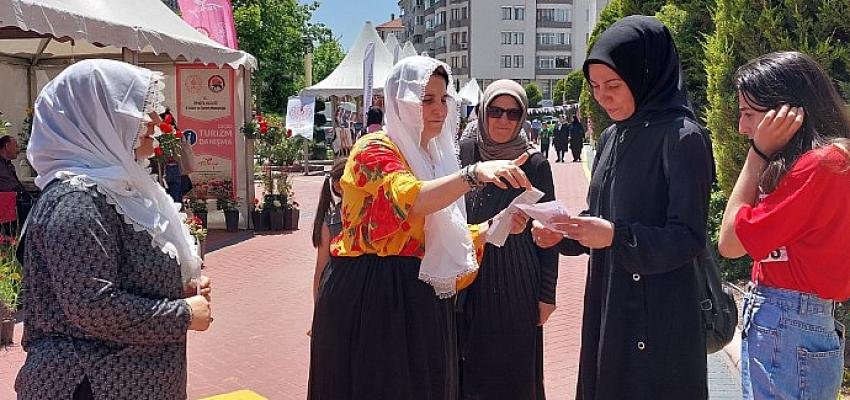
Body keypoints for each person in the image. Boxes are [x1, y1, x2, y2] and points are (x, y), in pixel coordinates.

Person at [308, 56, 532, 400]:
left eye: (443, 99)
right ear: (401, 102)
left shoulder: (431, 156)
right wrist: (472, 175)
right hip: (370, 297)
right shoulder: (375, 148)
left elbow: (431, 237)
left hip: (415, 295)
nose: (438, 109)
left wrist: (493, 227)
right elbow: (408, 199)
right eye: (426, 100)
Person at [531, 16, 713, 399]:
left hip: (659, 315)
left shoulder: (683, 138)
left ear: (646, 75)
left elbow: (688, 236)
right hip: (610, 303)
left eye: (613, 85)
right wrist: (565, 232)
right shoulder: (615, 135)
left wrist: (616, 236)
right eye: (595, 87)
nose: (602, 97)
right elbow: (606, 214)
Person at [15, 59, 213, 400]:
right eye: (139, 109)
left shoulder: (114, 190)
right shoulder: (76, 201)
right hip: (90, 385)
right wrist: (182, 313)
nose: (154, 120)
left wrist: (176, 289)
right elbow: (92, 307)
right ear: (97, 119)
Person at [718, 51, 850, 400]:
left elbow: (729, 242)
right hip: (796, 321)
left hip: (787, 322)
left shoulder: (821, 166)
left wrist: (756, 154)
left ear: (786, 112)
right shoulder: (831, 161)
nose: (742, 128)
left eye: (748, 114)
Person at [457, 79, 558, 400]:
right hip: (468, 278)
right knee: (467, 370)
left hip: (515, 282)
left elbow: (549, 234)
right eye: (496, 111)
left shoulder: (536, 164)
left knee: (513, 374)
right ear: (483, 112)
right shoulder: (464, 155)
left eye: (513, 114)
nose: (503, 120)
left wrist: (546, 294)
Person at [310, 158, 347, 302]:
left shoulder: (366, 214)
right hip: (339, 293)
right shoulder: (331, 222)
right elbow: (321, 267)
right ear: (339, 186)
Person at [159, 109, 196, 204]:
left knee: (169, 198)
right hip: (175, 168)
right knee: (176, 198)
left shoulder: (162, 134)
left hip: (168, 168)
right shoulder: (177, 133)